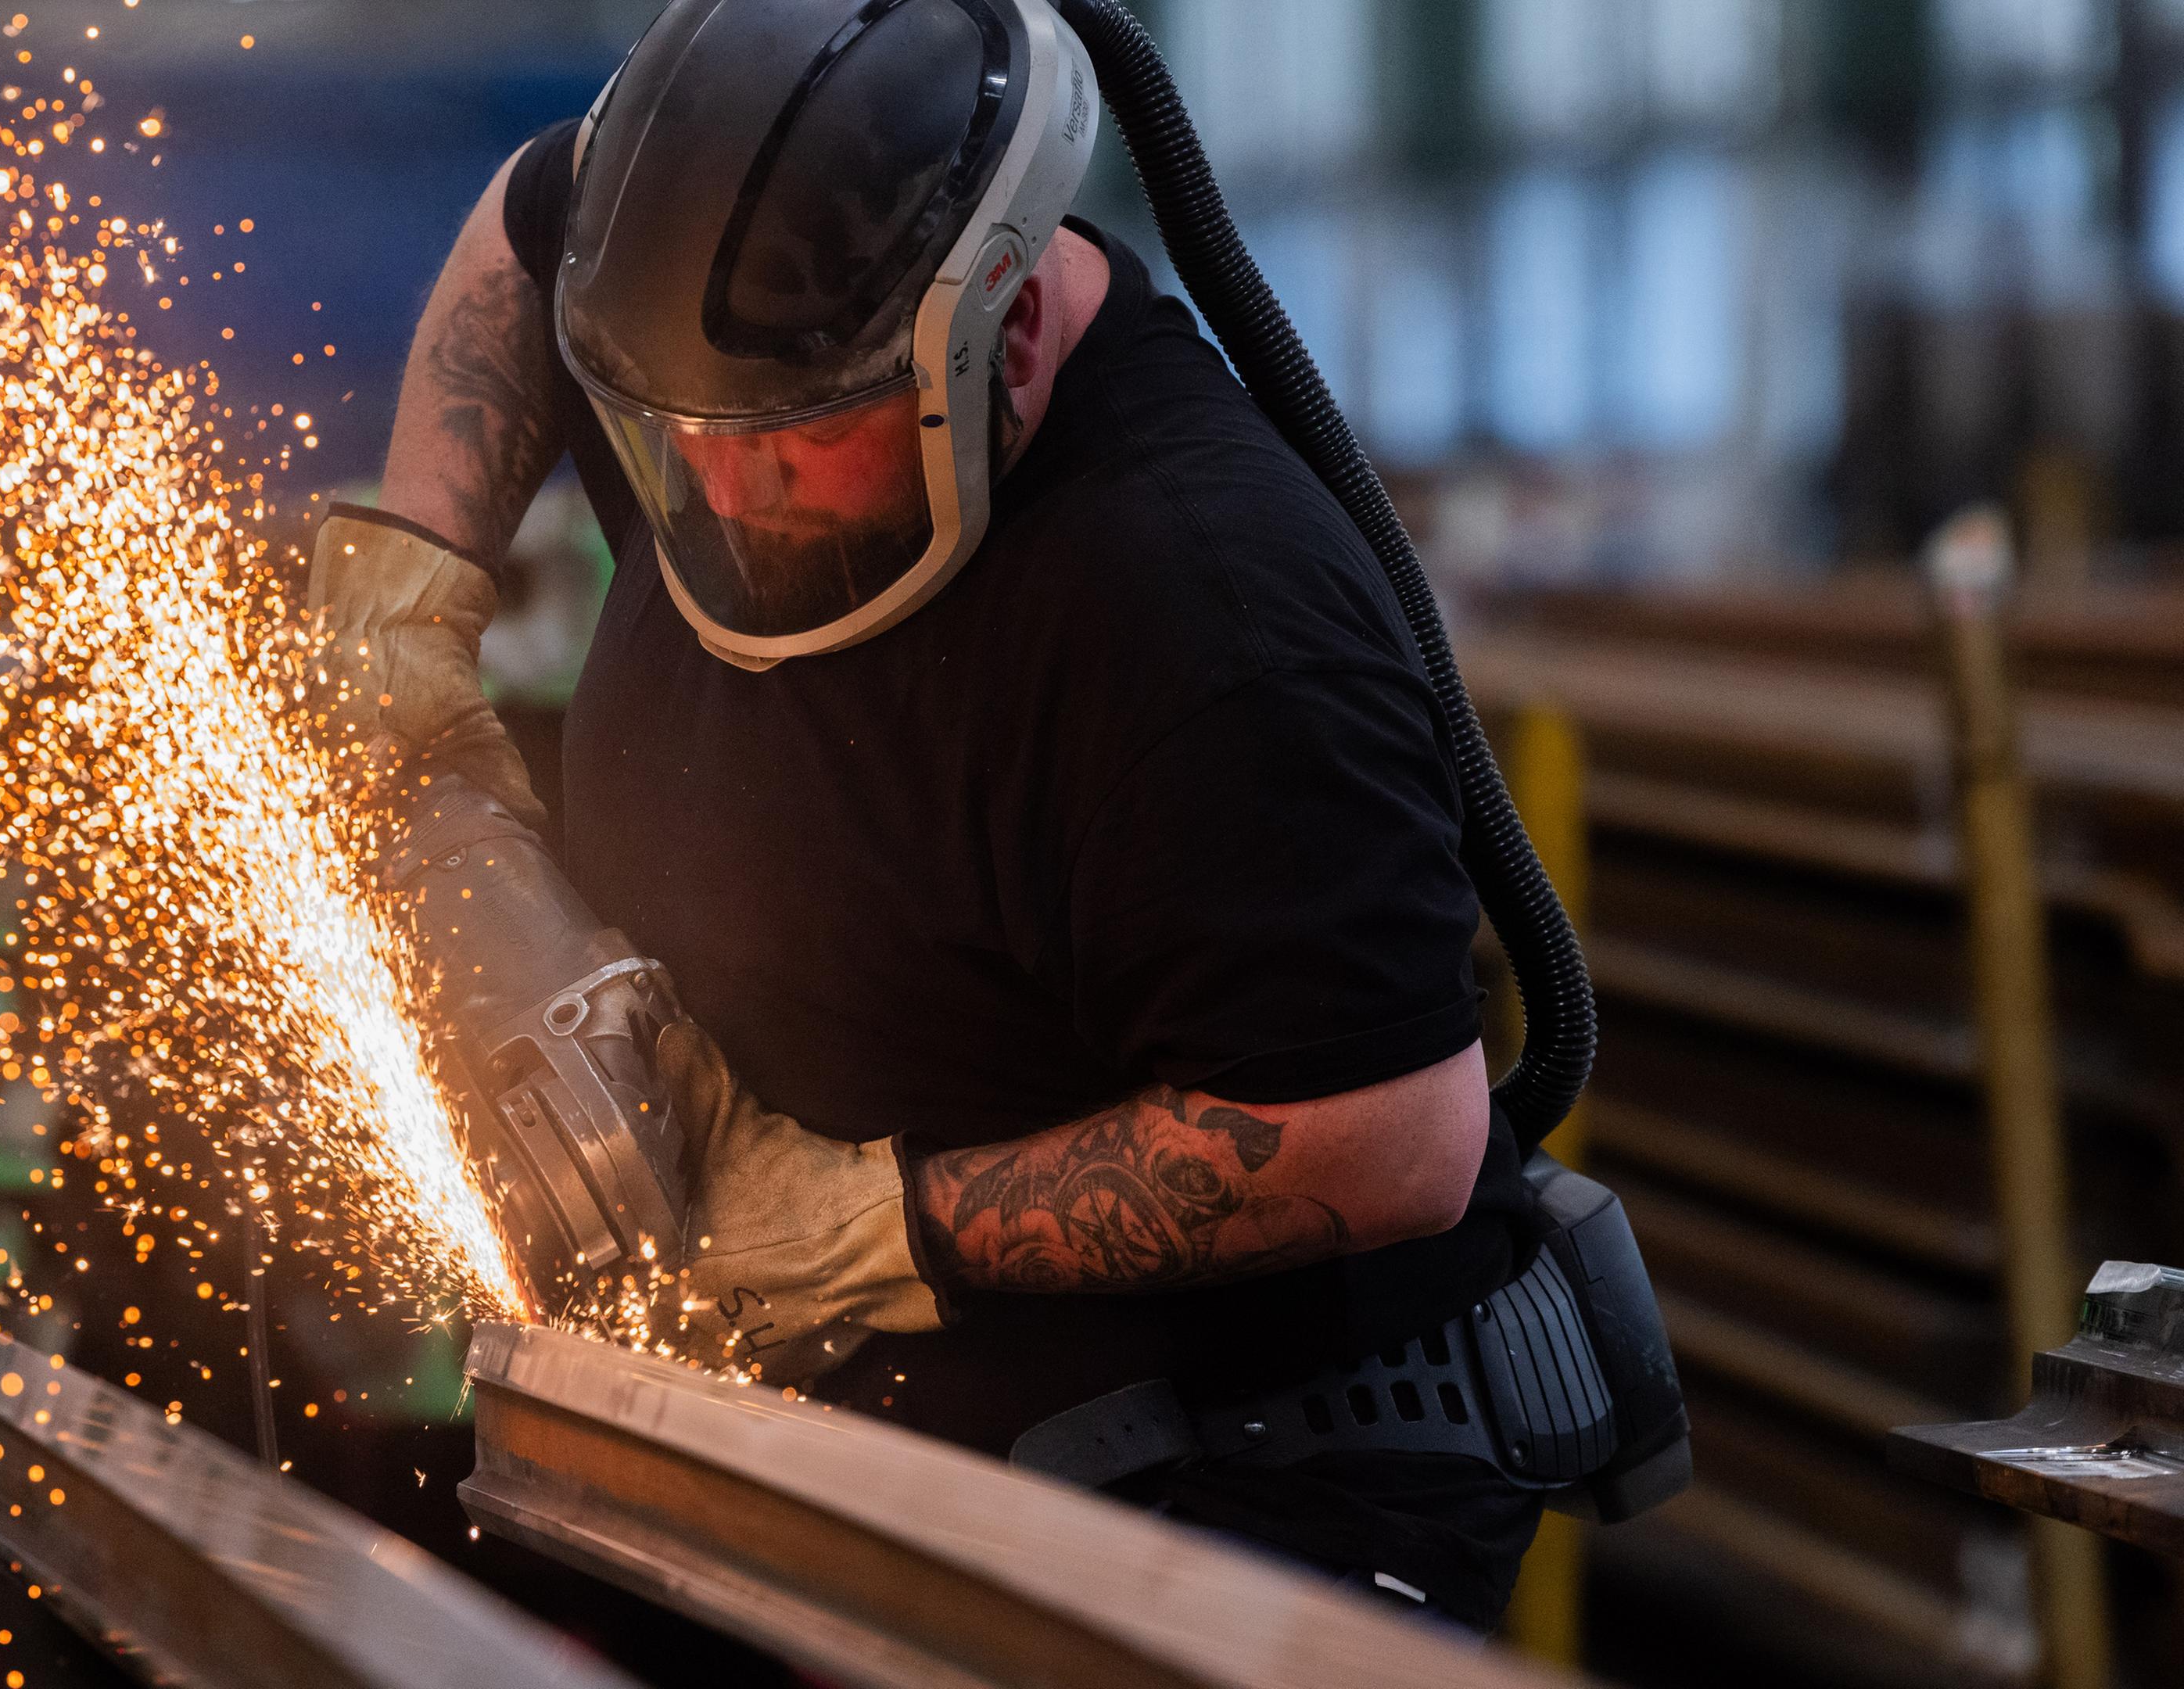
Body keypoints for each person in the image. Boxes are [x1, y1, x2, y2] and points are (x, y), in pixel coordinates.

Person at [308, 0, 1546, 1629]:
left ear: (1002, 333)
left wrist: (865, 1228)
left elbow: (1394, 1136)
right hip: (864, 1436)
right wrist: (413, 592)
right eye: (685, 432)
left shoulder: (1208, 617)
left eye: (800, 440)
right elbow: (538, 222)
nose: (727, 495)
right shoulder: (729, 341)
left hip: (1217, 1488)